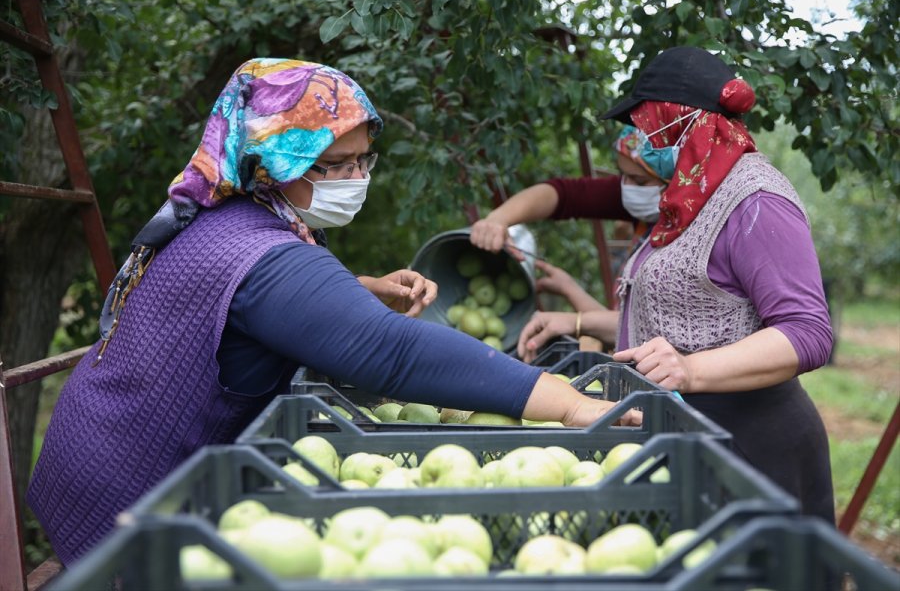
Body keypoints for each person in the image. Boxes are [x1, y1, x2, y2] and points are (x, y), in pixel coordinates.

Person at [26, 58, 640, 566]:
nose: (355, 178)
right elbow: (390, 352)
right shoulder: (259, 249)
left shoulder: (242, 215)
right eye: (333, 166)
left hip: (106, 443)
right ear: (277, 160)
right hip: (128, 487)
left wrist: (358, 287)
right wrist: (571, 404)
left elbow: (254, 304)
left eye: (363, 160)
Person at [515, 47, 836, 523]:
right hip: (691, 438)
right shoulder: (689, 197)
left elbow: (808, 333)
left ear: (678, 123)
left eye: (646, 126)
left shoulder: (756, 200)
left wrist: (691, 370)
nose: (640, 139)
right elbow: (683, 315)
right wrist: (576, 319)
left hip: (750, 447)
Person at [469, 125, 669, 321]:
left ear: (673, 177)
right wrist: (498, 219)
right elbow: (563, 195)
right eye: (622, 175)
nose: (627, 187)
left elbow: (639, 332)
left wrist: (575, 318)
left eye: (639, 181)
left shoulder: (690, 243)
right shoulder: (645, 195)